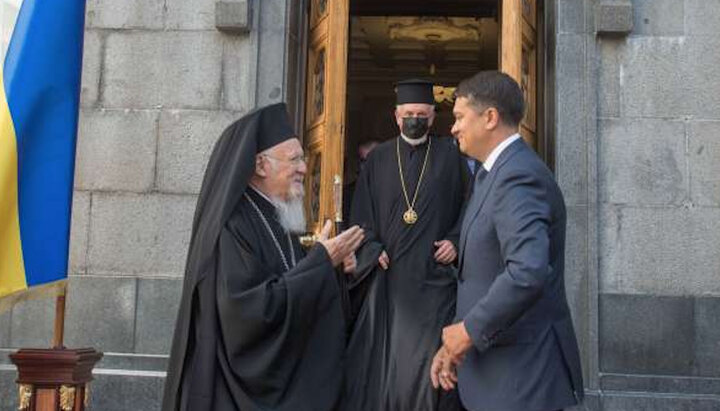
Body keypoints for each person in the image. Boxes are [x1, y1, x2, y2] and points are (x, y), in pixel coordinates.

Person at [162, 103, 364, 411]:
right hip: (232, 392)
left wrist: (330, 268)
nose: (304, 168)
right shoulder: (233, 224)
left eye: (303, 159)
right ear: (259, 165)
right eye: (294, 159)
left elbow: (289, 282)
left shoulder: (276, 216)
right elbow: (249, 312)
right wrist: (321, 261)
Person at [430, 71, 584, 411]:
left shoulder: (517, 176)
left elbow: (527, 271)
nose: (453, 128)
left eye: (459, 117)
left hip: (520, 380)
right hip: (497, 374)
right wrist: (458, 343)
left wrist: (468, 331)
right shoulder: (492, 174)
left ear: (490, 117)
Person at [345, 79, 467, 411]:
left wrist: (456, 241)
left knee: (428, 365)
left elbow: (471, 208)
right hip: (390, 279)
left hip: (435, 282)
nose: (415, 119)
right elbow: (361, 215)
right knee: (390, 365)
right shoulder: (379, 159)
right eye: (409, 113)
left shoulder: (451, 155)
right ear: (397, 117)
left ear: (432, 117)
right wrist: (371, 248)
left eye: (422, 114)